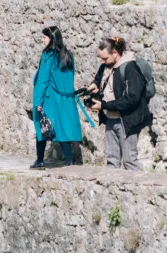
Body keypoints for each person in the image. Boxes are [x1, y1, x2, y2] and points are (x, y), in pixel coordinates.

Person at [87, 37, 152, 171]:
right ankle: (112, 185)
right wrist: (94, 85)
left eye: (105, 58)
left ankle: (134, 185)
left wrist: (103, 106)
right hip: (110, 118)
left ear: (115, 53)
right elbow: (99, 79)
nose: (103, 61)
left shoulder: (130, 68)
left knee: (129, 161)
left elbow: (132, 98)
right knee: (112, 160)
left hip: (127, 120)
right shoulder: (105, 66)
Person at [30, 26, 90, 169]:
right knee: (64, 128)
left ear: (51, 39)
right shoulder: (68, 55)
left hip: (50, 97)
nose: (42, 40)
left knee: (42, 126)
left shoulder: (47, 56)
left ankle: (40, 160)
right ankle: (69, 160)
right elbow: (70, 76)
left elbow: (43, 80)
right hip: (66, 97)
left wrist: (38, 102)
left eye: (44, 37)